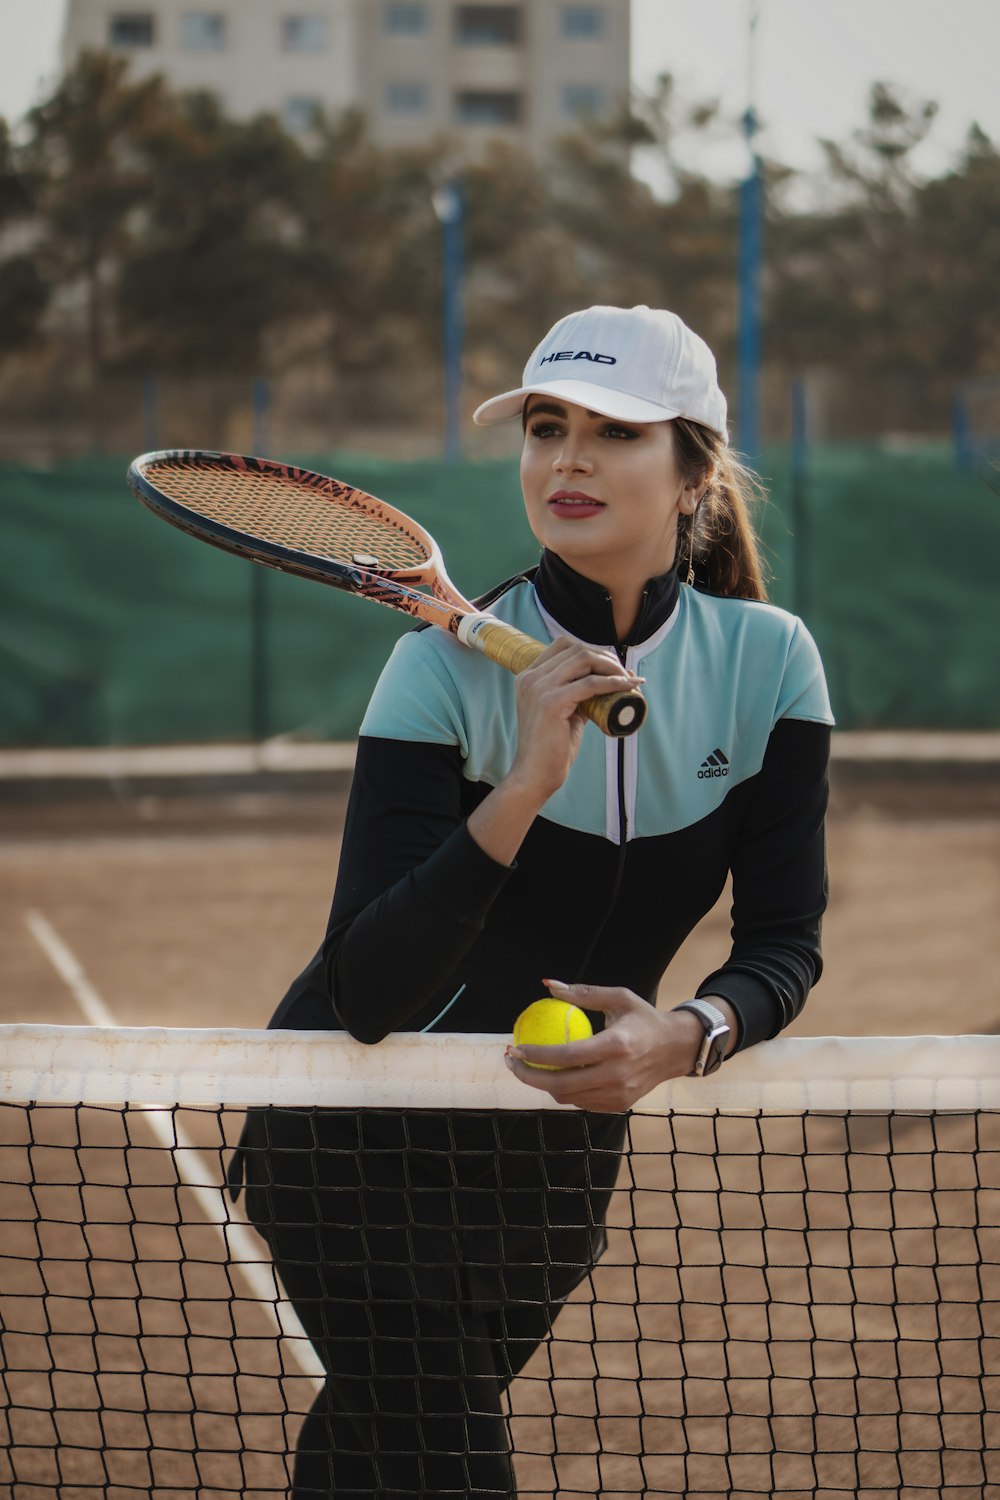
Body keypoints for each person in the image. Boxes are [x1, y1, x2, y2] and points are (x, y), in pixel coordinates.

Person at [229, 303, 833, 1499]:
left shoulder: (771, 663)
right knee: (452, 1464)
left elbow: (781, 944)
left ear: (693, 471)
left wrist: (686, 1035)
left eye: (614, 432)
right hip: (354, 1143)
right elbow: (363, 990)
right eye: (547, 426)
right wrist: (523, 783)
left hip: (550, 1176)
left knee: (377, 1456)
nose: (568, 459)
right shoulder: (435, 666)